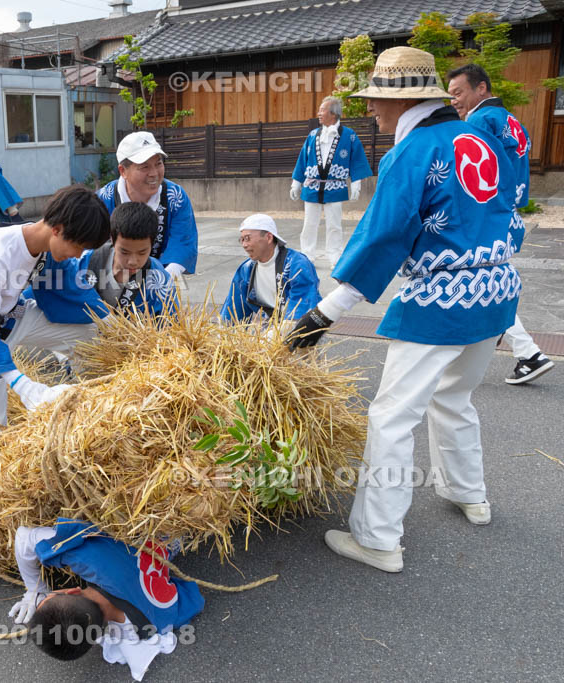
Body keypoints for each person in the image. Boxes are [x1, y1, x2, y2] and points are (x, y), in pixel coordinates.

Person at [286, 47, 524, 572]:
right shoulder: (480, 137)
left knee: (391, 416)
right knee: (456, 395)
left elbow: (383, 236)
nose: (372, 108)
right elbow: (512, 213)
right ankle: (470, 494)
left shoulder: (413, 151)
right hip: (497, 290)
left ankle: (377, 538)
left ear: (407, 100)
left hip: (442, 300)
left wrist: (324, 314)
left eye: (379, 99)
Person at [0, 185, 109, 434]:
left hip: (10, 316)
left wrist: (112, 323)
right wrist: (24, 385)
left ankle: (85, 401)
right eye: (79, 248)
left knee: (90, 333)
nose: (78, 255)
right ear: (58, 230)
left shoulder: (44, 246)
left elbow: (72, 289)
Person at [447, 62, 554, 386]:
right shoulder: (510, 120)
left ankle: (528, 352)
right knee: (487, 282)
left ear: (481, 88)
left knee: (481, 282)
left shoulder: (479, 120)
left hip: (487, 213)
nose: (454, 100)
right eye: (450, 95)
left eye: (459, 92)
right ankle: (494, 340)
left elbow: (468, 173)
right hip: (507, 211)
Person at [11, 519, 203, 681]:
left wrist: (36, 591)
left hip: (182, 537)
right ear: (72, 592)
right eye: (53, 594)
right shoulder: (88, 557)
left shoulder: (158, 621)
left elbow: (190, 601)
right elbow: (23, 537)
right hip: (166, 522)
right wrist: (35, 590)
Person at [28, 201, 176, 324]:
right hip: (84, 340)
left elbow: (170, 324)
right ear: (112, 239)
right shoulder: (86, 260)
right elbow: (46, 291)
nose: (133, 261)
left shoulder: (159, 279)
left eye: (142, 252)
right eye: (124, 252)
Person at [97, 132, 197, 284]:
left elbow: (183, 241)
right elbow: (91, 247)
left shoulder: (175, 196)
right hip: (111, 280)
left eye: (158, 164)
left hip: (161, 277)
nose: (154, 173)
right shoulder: (104, 199)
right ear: (123, 171)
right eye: (144, 167)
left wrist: (163, 280)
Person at [290, 96, 373, 266]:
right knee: (309, 224)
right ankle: (307, 255)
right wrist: (296, 183)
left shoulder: (349, 136)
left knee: (334, 225)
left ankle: (334, 255)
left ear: (333, 114)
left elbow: (356, 159)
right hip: (312, 186)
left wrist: (356, 182)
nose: (319, 113)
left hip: (335, 187)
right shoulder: (313, 135)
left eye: (322, 110)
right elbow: (302, 160)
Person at [221, 213, 321, 324]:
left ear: (268, 237)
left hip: (304, 325)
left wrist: (280, 332)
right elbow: (234, 308)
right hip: (272, 322)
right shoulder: (246, 269)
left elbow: (302, 307)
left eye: (248, 238)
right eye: (242, 239)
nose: (244, 245)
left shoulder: (296, 264)